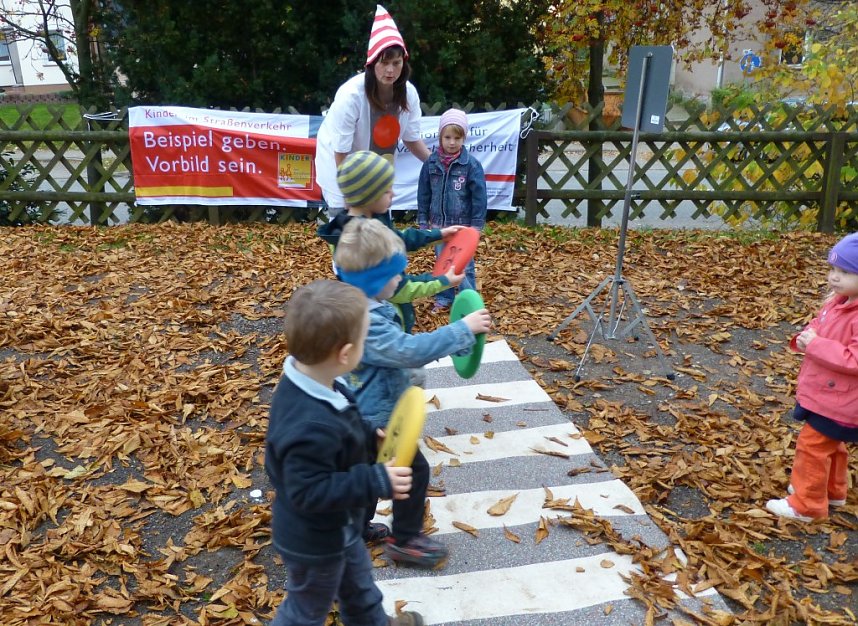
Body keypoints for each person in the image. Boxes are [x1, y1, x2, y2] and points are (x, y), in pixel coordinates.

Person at [334, 218, 492, 567]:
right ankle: (404, 540)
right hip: (375, 417)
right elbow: (408, 350)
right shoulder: (368, 322)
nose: (401, 280)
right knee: (411, 472)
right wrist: (461, 330)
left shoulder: (357, 302)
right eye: (397, 275)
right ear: (378, 280)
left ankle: (354, 529)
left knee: (365, 475)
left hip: (361, 413)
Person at [265, 279, 424, 626]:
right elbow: (309, 490)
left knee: (360, 590)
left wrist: (369, 436)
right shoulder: (309, 425)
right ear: (345, 354)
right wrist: (375, 479)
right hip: (315, 541)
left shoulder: (313, 381)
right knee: (304, 611)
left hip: (340, 526)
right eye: (364, 340)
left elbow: (344, 421)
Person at [765, 232, 858, 522]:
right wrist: (808, 336)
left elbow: (854, 358)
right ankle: (832, 490)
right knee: (832, 443)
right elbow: (821, 324)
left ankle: (807, 504)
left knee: (813, 445)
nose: (834, 277)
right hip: (830, 393)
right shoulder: (839, 301)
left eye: (845, 272)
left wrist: (816, 345)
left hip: (841, 399)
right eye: (832, 269)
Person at [319, 150, 464, 333]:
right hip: (382, 327)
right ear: (369, 196)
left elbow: (399, 239)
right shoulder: (362, 241)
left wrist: (438, 235)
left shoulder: (364, 222)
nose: (393, 194)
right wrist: (442, 281)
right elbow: (399, 289)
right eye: (387, 190)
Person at [315, 5, 430, 218]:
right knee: (347, 229)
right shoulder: (351, 95)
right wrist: (350, 194)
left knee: (379, 228)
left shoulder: (409, 94)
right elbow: (341, 150)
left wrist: (437, 164)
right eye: (384, 63)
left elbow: (412, 138)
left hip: (378, 171)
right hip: (341, 166)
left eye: (396, 63)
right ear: (372, 63)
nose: (390, 70)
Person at [417, 108, 487, 311]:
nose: (452, 142)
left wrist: (476, 226)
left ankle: (468, 300)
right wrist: (423, 219)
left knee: (465, 264)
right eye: (447, 137)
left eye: (457, 138)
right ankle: (444, 297)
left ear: (463, 138)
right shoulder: (430, 163)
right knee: (443, 262)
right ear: (440, 136)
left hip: (462, 225)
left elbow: (479, 197)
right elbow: (424, 193)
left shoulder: (471, 165)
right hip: (438, 223)